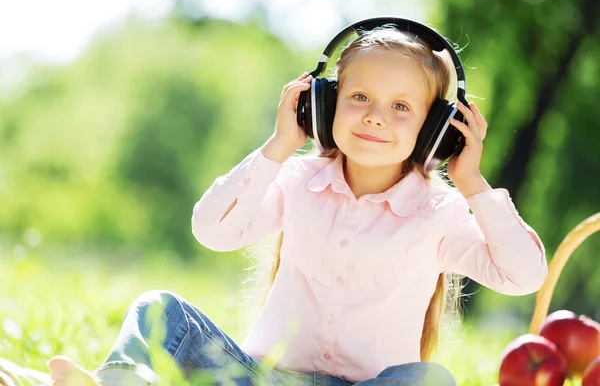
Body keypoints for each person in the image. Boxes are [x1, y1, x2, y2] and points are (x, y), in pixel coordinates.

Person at [37, 19, 548, 385]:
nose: (374, 117)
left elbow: (522, 275)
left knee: (429, 378)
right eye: (359, 98)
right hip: (259, 379)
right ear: (323, 105)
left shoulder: (439, 214)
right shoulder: (298, 179)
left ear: (434, 130)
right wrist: (279, 145)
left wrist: (473, 181)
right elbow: (211, 230)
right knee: (160, 309)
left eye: (400, 107)